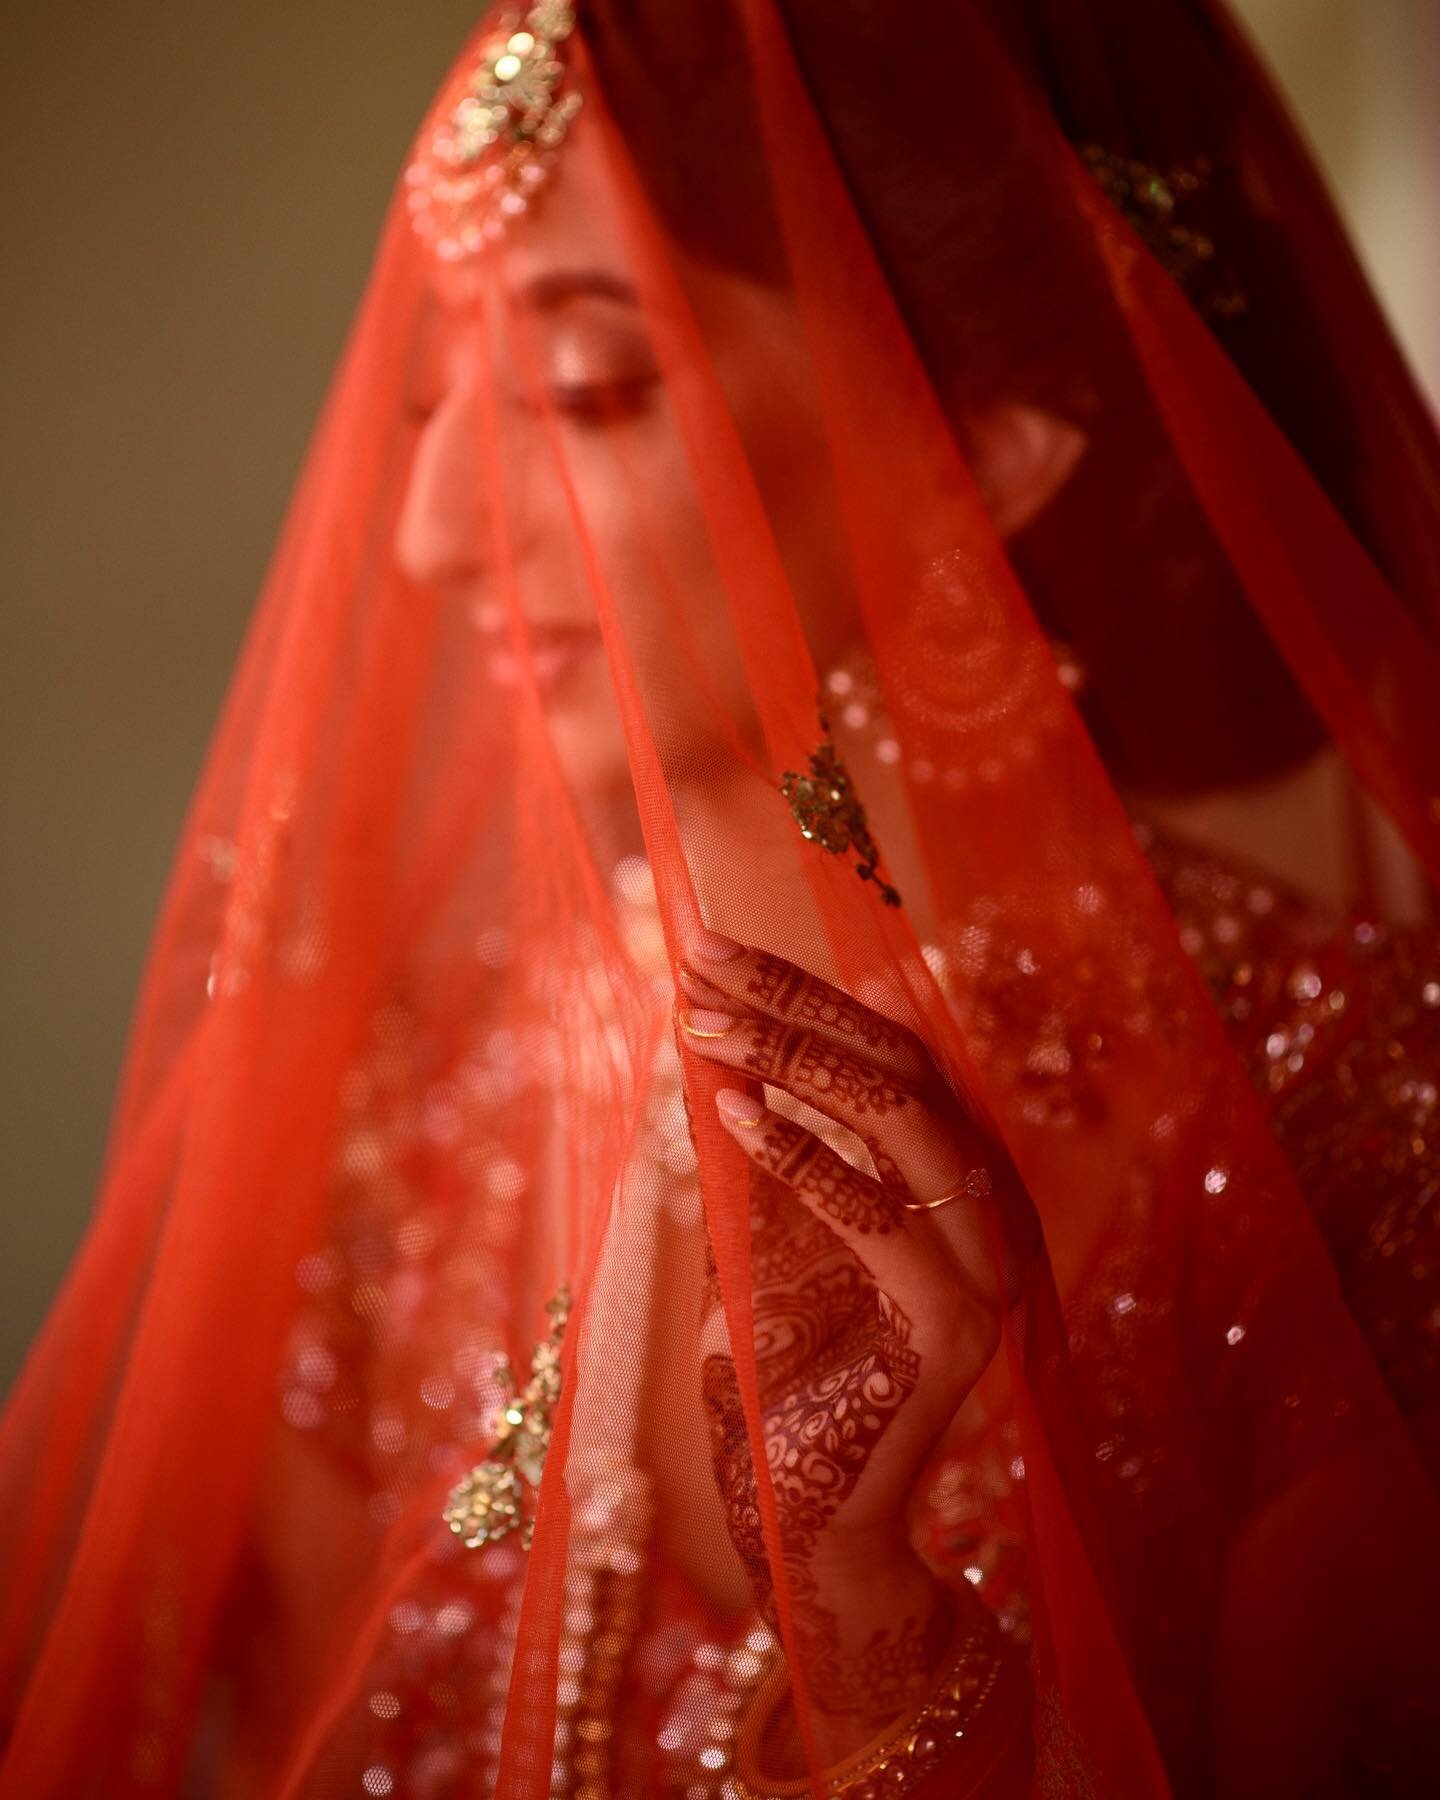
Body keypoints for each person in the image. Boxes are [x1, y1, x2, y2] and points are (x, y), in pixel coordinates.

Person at [3, 2, 1440, 1794]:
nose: (437, 529)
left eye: (582, 390)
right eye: (438, 396)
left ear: (977, 451)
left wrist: (880, 1643)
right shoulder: (398, 1134)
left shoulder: (1343, 1145)